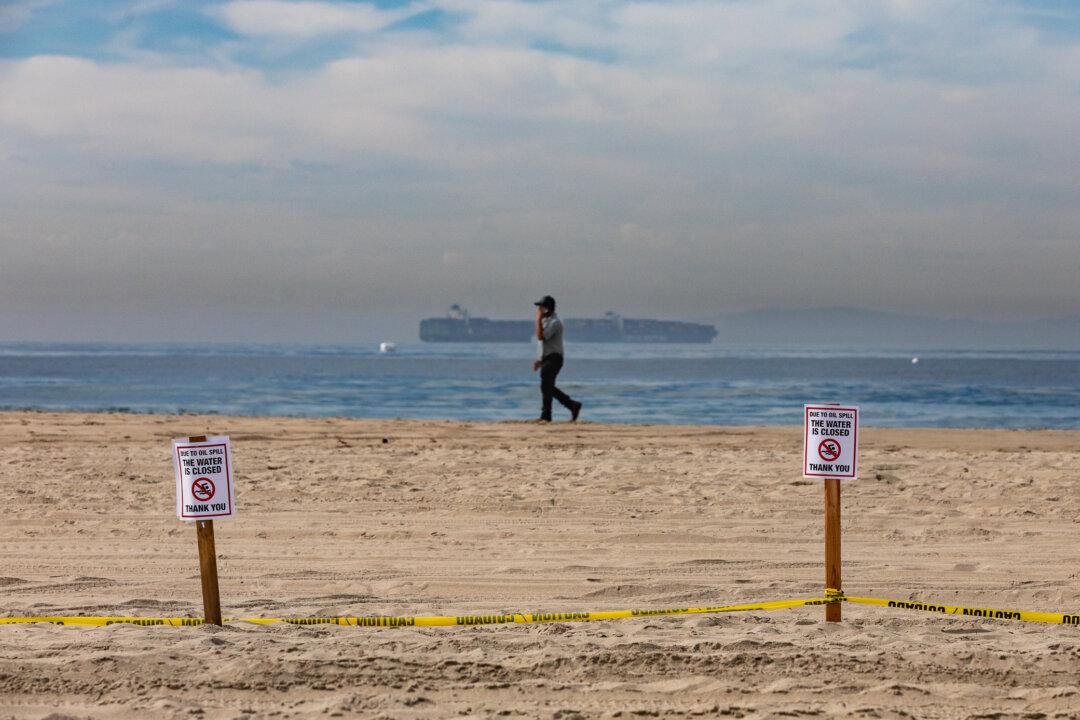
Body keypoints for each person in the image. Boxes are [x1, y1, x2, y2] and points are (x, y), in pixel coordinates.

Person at [532, 295, 582, 422]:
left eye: (541, 307)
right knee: (547, 386)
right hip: (547, 358)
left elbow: (541, 337)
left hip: (554, 358)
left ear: (548, 309)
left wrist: (537, 320)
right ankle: (572, 405)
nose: (539, 310)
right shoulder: (546, 321)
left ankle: (546, 416)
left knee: (545, 385)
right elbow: (543, 344)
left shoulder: (555, 323)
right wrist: (539, 359)